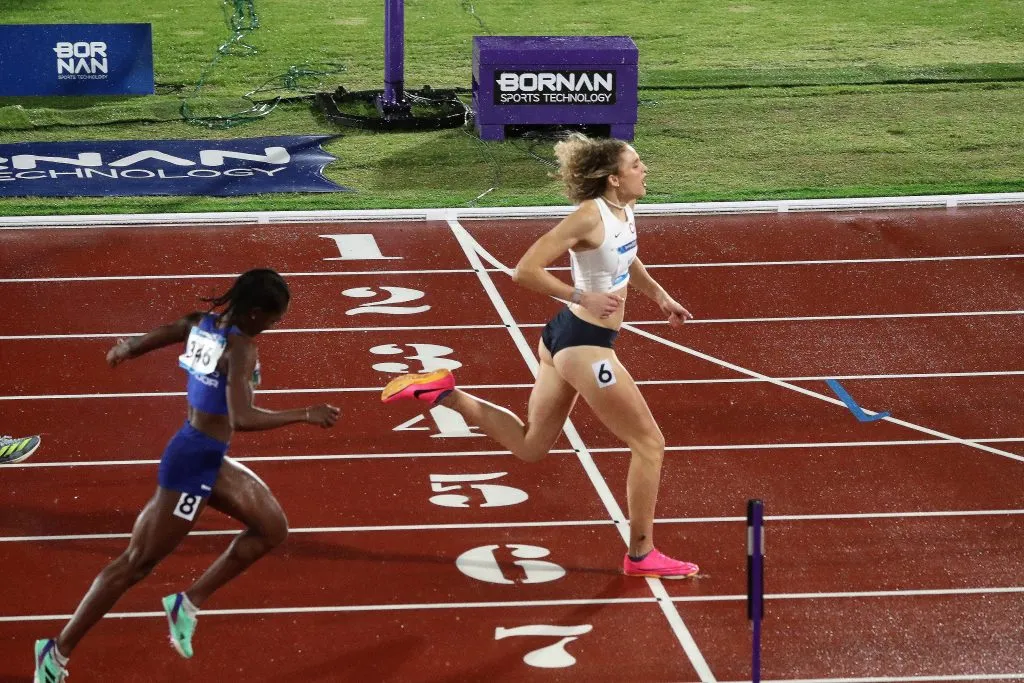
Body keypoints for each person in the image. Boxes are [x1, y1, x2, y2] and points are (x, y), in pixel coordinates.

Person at [382, 133, 699, 580]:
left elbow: (628, 260)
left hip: (563, 339)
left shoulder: (625, 209)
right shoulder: (587, 217)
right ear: (613, 179)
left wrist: (660, 296)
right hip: (584, 345)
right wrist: (581, 296)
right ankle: (641, 554)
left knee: (531, 448)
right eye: (636, 164)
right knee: (649, 444)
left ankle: (446, 394)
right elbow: (524, 271)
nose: (644, 170)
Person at [34, 269, 340, 683]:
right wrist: (305, 413)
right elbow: (242, 418)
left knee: (271, 528)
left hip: (207, 455)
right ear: (253, 313)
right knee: (135, 564)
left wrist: (130, 347)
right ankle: (56, 651)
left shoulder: (202, 323)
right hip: (193, 463)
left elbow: (173, 329)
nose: (274, 326)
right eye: (273, 318)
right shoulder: (242, 348)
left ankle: (188, 603)